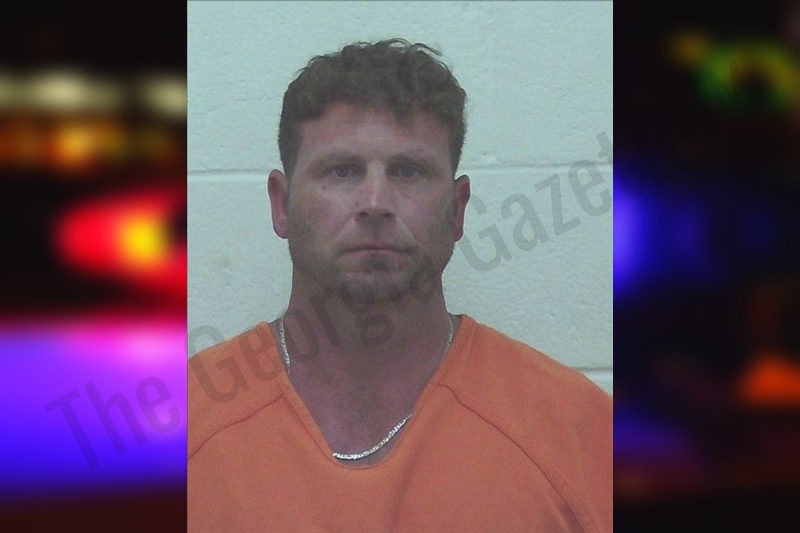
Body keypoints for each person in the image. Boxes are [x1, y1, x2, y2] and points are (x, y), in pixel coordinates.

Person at [188, 38, 612, 531]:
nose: (375, 203)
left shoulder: (580, 432)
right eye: (341, 171)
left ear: (457, 209)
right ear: (281, 205)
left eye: (409, 172)